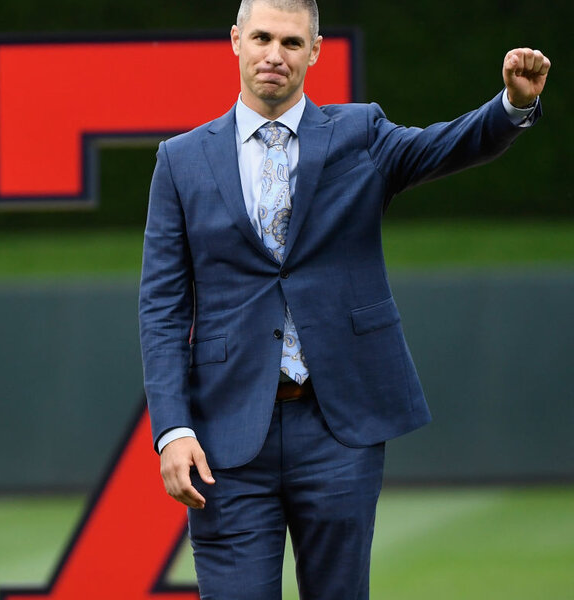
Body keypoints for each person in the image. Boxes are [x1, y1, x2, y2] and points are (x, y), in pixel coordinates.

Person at [139, 1, 550, 598]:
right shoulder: (180, 161)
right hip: (225, 435)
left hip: (337, 427)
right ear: (235, 41)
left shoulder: (360, 135)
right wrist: (172, 429)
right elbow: (162, 306)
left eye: (290, 42)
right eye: (260, 38)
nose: (273, 55)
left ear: (315, 50)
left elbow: (448, 145)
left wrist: (511, 105)